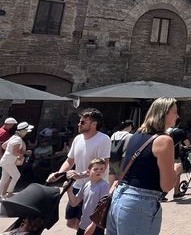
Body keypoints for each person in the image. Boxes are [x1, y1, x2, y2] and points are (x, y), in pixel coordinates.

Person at [106, 97, 178, 235]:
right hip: (140, 203)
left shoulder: (137, 135)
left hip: (119, 198)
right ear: (164, 113)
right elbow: (167, 186)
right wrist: (176, 170)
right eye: (175, 112)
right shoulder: (164, 140)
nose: (178, 115)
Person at [47, 108, 111, 230]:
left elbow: (103, 166)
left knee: (87, 225)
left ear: (94, 124)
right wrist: (58, 174)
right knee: (71, 222)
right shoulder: (78, 138)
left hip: (94, 187)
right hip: (77, 185)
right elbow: (70, 161)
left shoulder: (103, 139)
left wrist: (80, 175)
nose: (78, 124)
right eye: (79, 121)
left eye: (83, 122)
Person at [67, 158, 109, 235]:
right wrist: (69, 190)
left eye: (101, 169)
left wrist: (93, 226)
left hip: (95, 227)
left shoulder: (104, 185)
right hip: (83, 225)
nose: (99, 171)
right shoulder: (86, 185)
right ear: (88, 172)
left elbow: (103, 208)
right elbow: (74, 203)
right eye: (95, 169)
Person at [0, 121, 33, 199]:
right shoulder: (18, 139)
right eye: (26, 131)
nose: (26, 133)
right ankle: (10, 193)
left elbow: (4, 146)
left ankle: (3, 195)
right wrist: (25, 152)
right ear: (22, 131)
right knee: (16, 175)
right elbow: (15, 152)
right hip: (9, 161)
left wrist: (10, 151)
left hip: (6, 160)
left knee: (4, 179)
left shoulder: (13, 137)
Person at [108, 120, 134, 184]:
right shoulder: (130, 136)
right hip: (121, 159)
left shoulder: (114, 134)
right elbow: (128, 149)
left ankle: (106, 192)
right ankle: (113, 193)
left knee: (111, 177)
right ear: (130, 126)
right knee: (119, 178)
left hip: (111, 158)